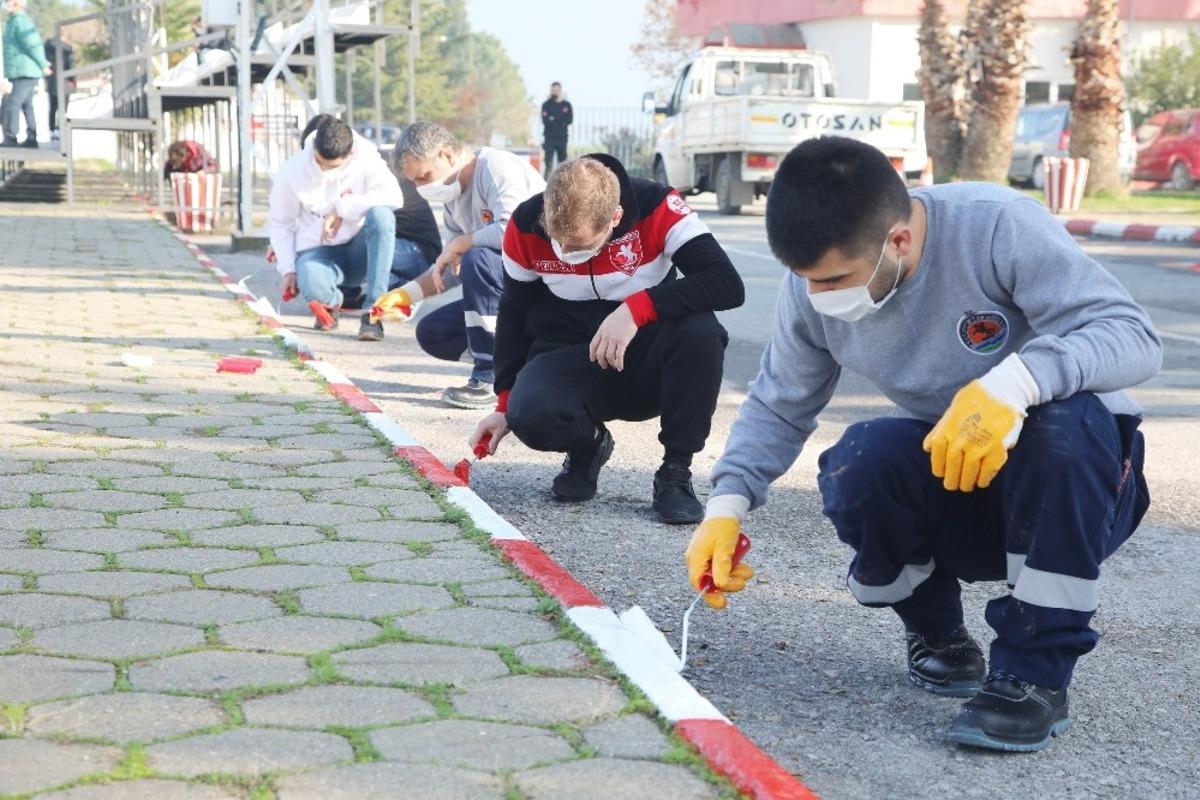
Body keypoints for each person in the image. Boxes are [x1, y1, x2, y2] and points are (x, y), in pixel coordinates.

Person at [685, 136, 1160, 752]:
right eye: (808, 282)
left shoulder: (996, 228)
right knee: (860, 464)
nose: (822, 297)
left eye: (835, 280)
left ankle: (1033, 678)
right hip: (964, 475)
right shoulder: (811, 288)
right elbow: (779, 403)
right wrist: (726, 506)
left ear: (898, 241)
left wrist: (1017, 382)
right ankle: (939, 636)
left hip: (1080, 483)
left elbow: (1132, 336)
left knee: (1064, 428)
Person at [464, 155, 743, 523]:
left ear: (614, 218)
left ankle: (675, 472)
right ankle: (588, 445)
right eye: (557, 240)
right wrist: (503, 403)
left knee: (702, 332)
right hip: (569, 354)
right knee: (527, 413)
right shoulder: (525, 222)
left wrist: (635, 309)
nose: (566, 253)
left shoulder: (657, 206)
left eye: (578, 246)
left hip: (646, 359)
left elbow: (726, 284)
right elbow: (514, 313)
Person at [378, 120, 543, 408]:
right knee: (433, 333)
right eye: (414, 181)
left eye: (423, 176)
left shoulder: (496, 169)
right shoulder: (454, 201)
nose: (420, 187)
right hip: (508, 297)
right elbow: (453, 267)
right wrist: (405, 295)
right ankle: (520, 364)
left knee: (477, 256)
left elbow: (515, 232)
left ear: (446, 155)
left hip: (541, 287)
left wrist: (463, 243)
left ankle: (490, 378)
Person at [268, 116, 403, 340]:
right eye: (319, 162)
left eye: (332, 166)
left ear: (351, 154)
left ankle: (373, 313)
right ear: (313, 148)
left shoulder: (367, 158)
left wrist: (342, 208)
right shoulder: (292, 171)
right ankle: (330, 305)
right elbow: (282, 223)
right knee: (310, 280)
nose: (324, 170)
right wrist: (288, 269)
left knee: (382, 216)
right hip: (319, 251)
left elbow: (394, 197)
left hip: (360, 250)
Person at [2, 0, 50, 147]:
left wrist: (43, 64)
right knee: (26, 105)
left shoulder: (20, 21)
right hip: (20, 70)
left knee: (13, 102)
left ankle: (11, 136)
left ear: (18, 3)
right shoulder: (13, 21)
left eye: (10, 1)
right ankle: (31, 138)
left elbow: (32, 44)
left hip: (25, 70)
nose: (6, 4)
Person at [42, 35, 73, 140]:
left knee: (52, 108)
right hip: (65, 82)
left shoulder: (47, 47)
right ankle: (60, 129)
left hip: (52, 82)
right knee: (63, 109)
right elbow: (70, 65)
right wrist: (72, 81)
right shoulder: (67, 49)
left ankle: (51, 130)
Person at [540, 82, 572, 177]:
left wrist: (553, 118)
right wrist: (560, 120)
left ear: (560, 91)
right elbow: (545, 121)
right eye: (552, 90)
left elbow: (569, 120)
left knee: (563, 164)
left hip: (562, 138)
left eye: (556, 90)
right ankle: (545, 185)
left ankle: (562, 184)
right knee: (548, 163)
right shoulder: (546, 105)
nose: (554, 92)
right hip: (549, 138)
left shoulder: (567, 105)